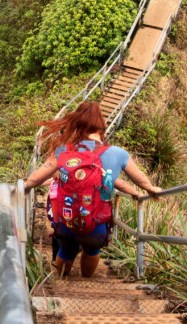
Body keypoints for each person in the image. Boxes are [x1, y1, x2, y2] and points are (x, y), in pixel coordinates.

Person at [24, 101, 162, 278]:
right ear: (101, 125)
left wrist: (24, 188)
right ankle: (86, 280)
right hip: (97, 225)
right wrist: (150, 189)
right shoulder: (118, 153)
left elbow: (35, 178)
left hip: (67, 222)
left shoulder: (63, 151)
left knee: (66, 251)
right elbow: (139, 178)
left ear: (76, 122)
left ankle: (60, 281)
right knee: (92, 250)